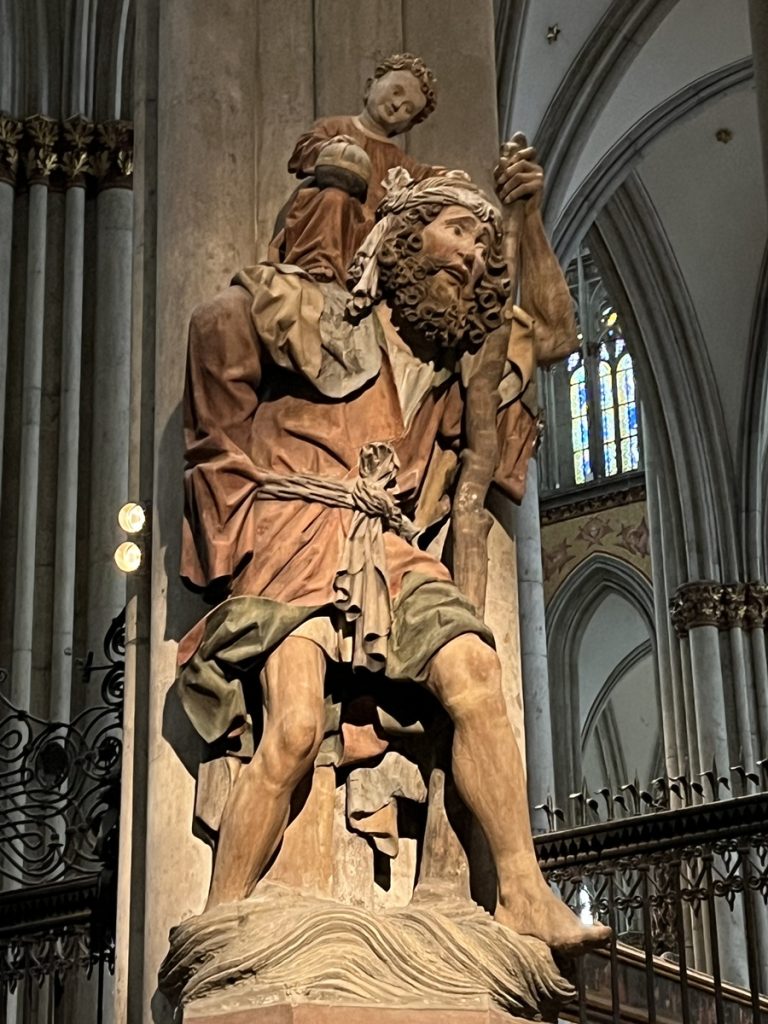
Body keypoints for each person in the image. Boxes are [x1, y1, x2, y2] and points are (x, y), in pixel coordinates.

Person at [177, 146, 611, 955]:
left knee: (475, 670)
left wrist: (523, 221)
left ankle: (522, 888)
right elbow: (217, 327)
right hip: (296, 526)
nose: (474, 256)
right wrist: (228, 488)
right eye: (458, 233)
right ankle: (217, 921)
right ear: (404, 236)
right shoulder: (316, 313)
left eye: (482, 248)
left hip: (388, 542)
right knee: (297, 729)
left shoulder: (458, 360)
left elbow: (551, 330)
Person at [269, 53, 443, 286]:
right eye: (396, 91)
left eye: (408, 109)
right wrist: (331, 148)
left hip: (366, 234)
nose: (397, 105)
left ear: (408, 125)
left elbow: (426, 179)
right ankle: (317, 261)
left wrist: (448, 178)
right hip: (324, 215)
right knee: (334, 198)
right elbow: (303, 152)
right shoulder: (335, 126)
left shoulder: (402, 162)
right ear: (370, 87)